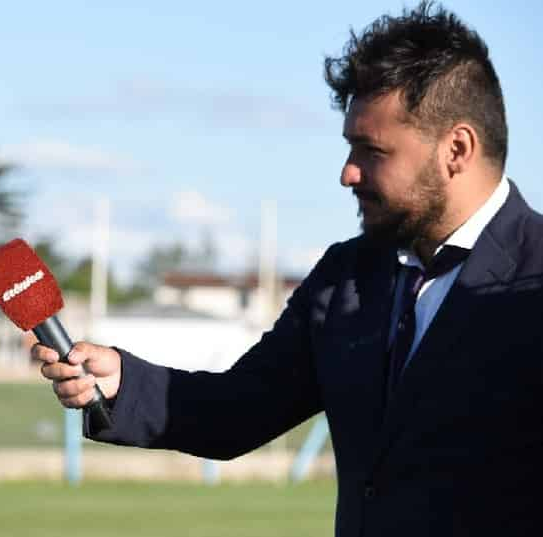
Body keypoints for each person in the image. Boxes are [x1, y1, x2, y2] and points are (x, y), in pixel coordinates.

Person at [33, 3, 543, 536]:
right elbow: (239, 410)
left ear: (456, 148)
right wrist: (123, 381)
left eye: (371, 151)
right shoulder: (346, 277)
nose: (348, 173)